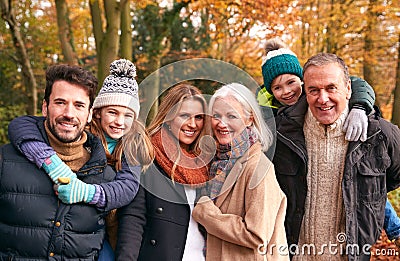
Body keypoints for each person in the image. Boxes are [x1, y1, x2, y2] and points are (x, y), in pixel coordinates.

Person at [258, 38, 400, 253]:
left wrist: (360, 107)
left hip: (349, 249)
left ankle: (395, 229)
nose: (286, 91)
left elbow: (358, 85)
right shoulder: (271, 117)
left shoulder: (376, 129)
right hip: (296, 247)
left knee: (365, 187)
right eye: (277, 87)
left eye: (291, 83)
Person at [6, 59, 154, 260]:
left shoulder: (133, 145)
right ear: (97, 114)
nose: (119, 121)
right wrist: (50, 161)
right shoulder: (80, 133)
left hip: (105, 221)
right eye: (112, 112)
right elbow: (20, 126)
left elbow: (127, 188)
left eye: (127, 115)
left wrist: (86, 192)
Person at [115, 83, 212, 261]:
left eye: (198, 117)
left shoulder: (205, 164)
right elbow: (134, 219)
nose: (192, 124)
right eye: (184, 115)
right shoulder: (147, 156)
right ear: (168, 116)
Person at [192, 83, 289, 260]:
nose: (222, 123)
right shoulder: (217, 161)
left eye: (231, 116)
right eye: (216, 115)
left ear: (249, 119)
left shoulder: (259, 168)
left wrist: (205, 213)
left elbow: (256, 234)